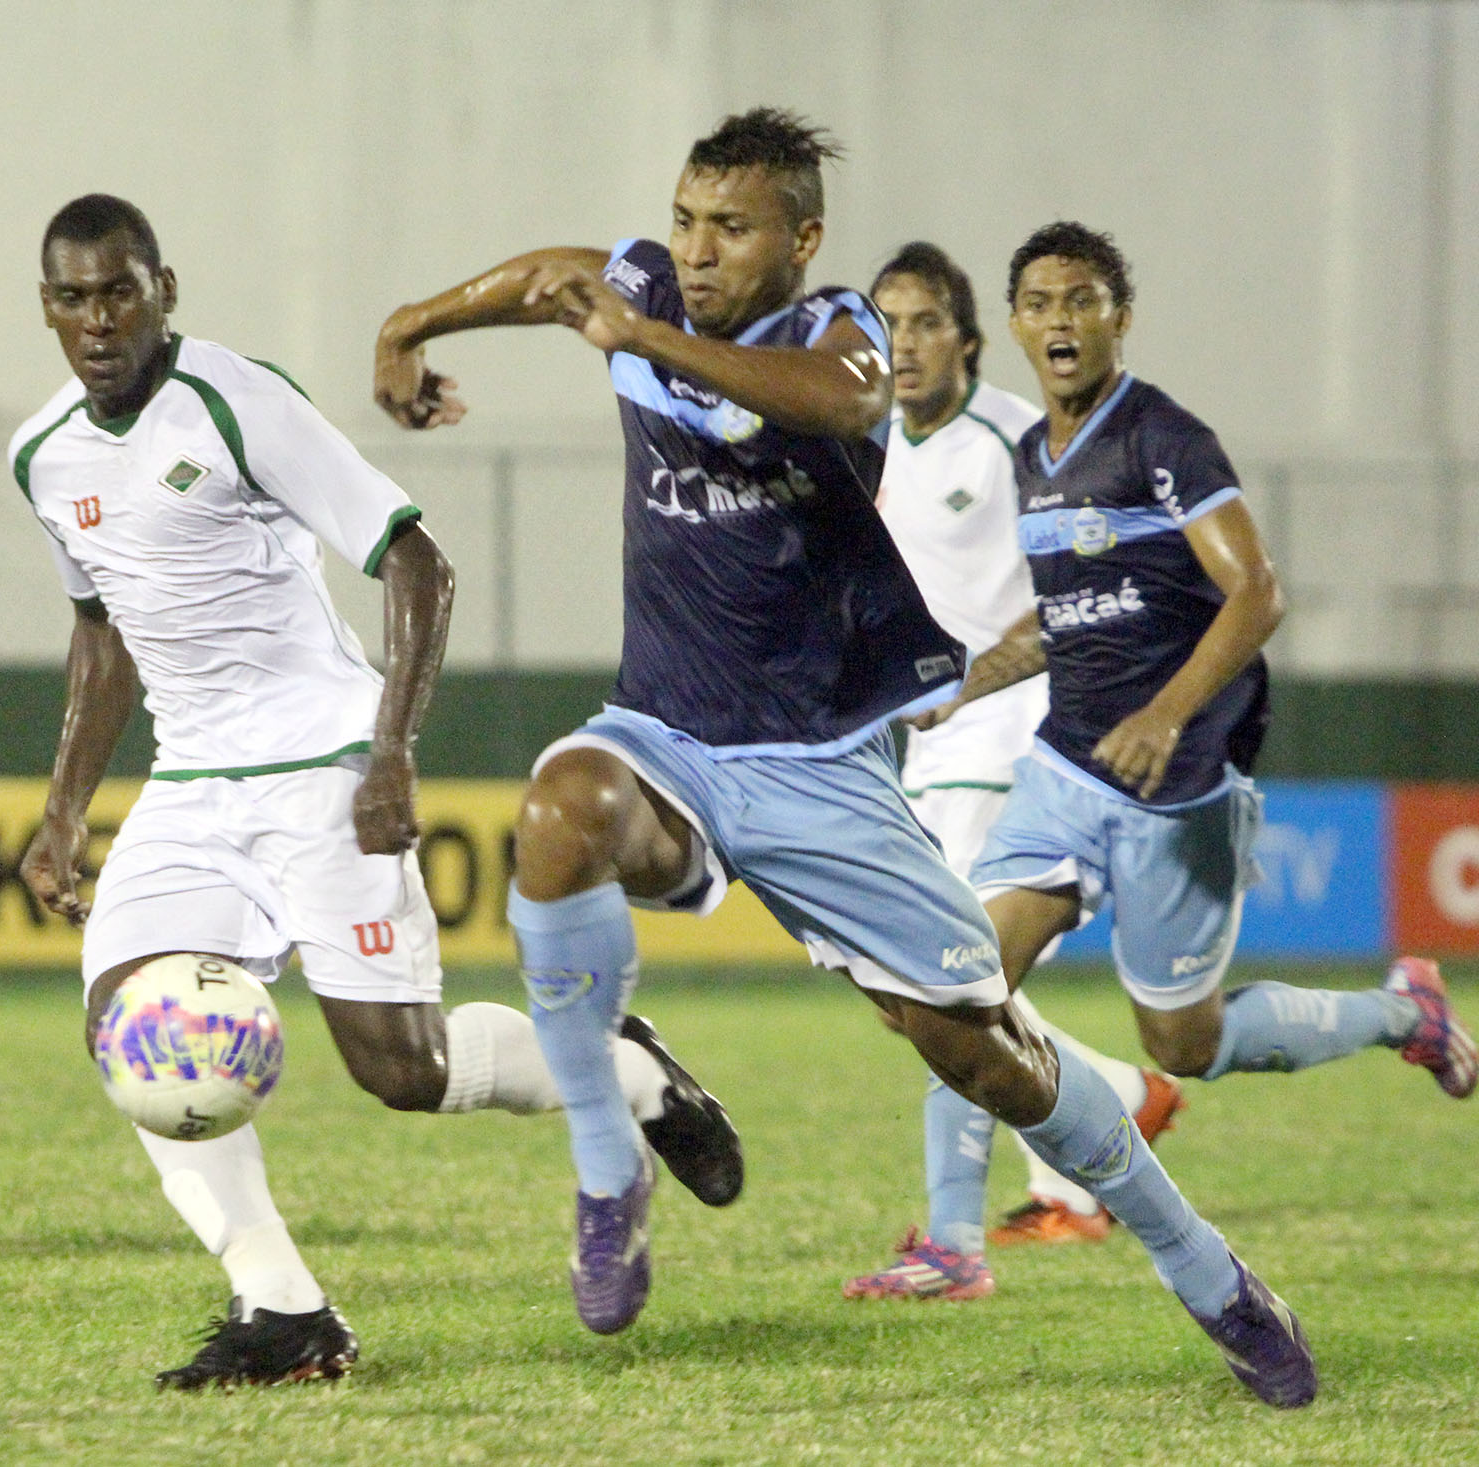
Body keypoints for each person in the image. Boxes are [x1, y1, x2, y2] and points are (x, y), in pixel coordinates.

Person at [376, 110, 1317, 1408]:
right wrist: (411, 325)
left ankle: (1205, 1266)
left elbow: (844, 402)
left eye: (732, 228)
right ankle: (608, 1163)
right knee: (560, 810)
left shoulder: (836, 332)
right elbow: (550, 276)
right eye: (686, 220)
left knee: (985, 1055)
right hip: (668, 735)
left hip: (821, 763)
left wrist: (646, 339)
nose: (697, 250)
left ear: (802, 240)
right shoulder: (644, 282)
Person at [13, 194, 741, 1391]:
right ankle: (283, 1310)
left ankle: (632, 1073)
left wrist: (391, 749)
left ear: (163, 292)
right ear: (46, 308)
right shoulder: (41, 453)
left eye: (119, 294)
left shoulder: (238, 401)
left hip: (322, 763)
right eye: (73, 299)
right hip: (190, 784)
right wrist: (61, 810)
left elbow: (417, 563)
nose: (98, 321)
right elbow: (101, 630)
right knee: (131, 1029)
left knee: (406, 1073)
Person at [846, 221, 1474, 1300]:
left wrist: (1169, 715)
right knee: (958, 984)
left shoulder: (1162, 438)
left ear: (1119, 318)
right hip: (1060, 774)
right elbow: (1063, 622)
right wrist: (965, 687)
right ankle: (952, 1245)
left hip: (1173, 790)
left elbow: (1257, 592)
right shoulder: (1036, 461)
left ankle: (1403, 1012)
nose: (1060, 321)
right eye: (1040, 303)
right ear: (1017, 324)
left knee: (1184, 1041)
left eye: (1081, 300)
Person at [865, 241, 1184, 1271]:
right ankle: (1118, 1101)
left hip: (1015, 732)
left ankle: (974, 1230)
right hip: (930, 746)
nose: (903, 344)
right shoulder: (872, 445)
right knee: (932, 990)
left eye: (923, 322)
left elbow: (1083, 585)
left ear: (967, 338)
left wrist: (974, 680)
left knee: (949, 979)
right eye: (886, 324)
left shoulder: (1015, 436)